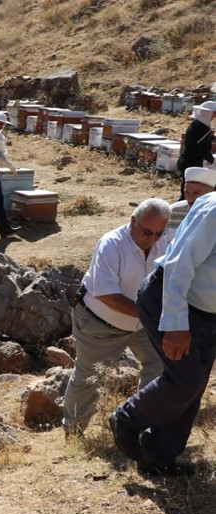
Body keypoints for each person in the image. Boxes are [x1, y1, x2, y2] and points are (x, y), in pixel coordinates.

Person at [110, 192, 216, 476]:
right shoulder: (214, 210)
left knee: (193, 387)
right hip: (169, 300)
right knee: (185, 379)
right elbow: (179, 266)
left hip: (208, 313)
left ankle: (157, 458)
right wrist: (175, 324)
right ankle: (127, 418)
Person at [62, 198, 171, 436]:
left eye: (159, 233)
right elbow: (106, 294)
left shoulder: (165, 242)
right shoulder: (111, 244)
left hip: (144, 325)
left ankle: (142, 425)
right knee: (89, 378)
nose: (153, 239)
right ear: (133, 221)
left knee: (161, 366)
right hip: (100, 325)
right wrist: (151, 315)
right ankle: (73, 434)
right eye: (147, 232)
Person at [176, 101, 216, 201]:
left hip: (186, 160)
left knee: (187, 190)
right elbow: (203, 150)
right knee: (190, 192)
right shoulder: (202, 128)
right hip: (192, 162)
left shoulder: (196, 124)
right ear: (210, 113)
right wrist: (212, 161)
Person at [164, 167, 215, 241]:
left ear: (211, 192)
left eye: (196, 193)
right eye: (187, 192)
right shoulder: (172, 212)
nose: (190, 198)